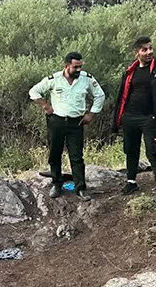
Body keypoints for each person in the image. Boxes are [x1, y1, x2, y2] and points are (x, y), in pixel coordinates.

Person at [29, 52, 106, 201]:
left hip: (75, 122)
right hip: (56, 121)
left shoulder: (86, 79)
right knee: (55, 153)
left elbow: (100, 95)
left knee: (77, 156)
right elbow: (34, 91)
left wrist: (91, 114)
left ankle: (80, 188)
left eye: (80, 67)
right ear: (66, 66)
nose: (78, 70)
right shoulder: (54, 79)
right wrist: (45, 106)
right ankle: (57, 184)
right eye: (75, 67)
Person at [112, 36, 156, 194]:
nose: (149, 52)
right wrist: (119, 118)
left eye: (150, 48)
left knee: (153, 150)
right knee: (131, 150)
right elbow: (121, 96)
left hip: (149, 117)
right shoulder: (131, 71)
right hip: (130, 116)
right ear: (137, 52)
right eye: (145, 49)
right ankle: (131, 182)